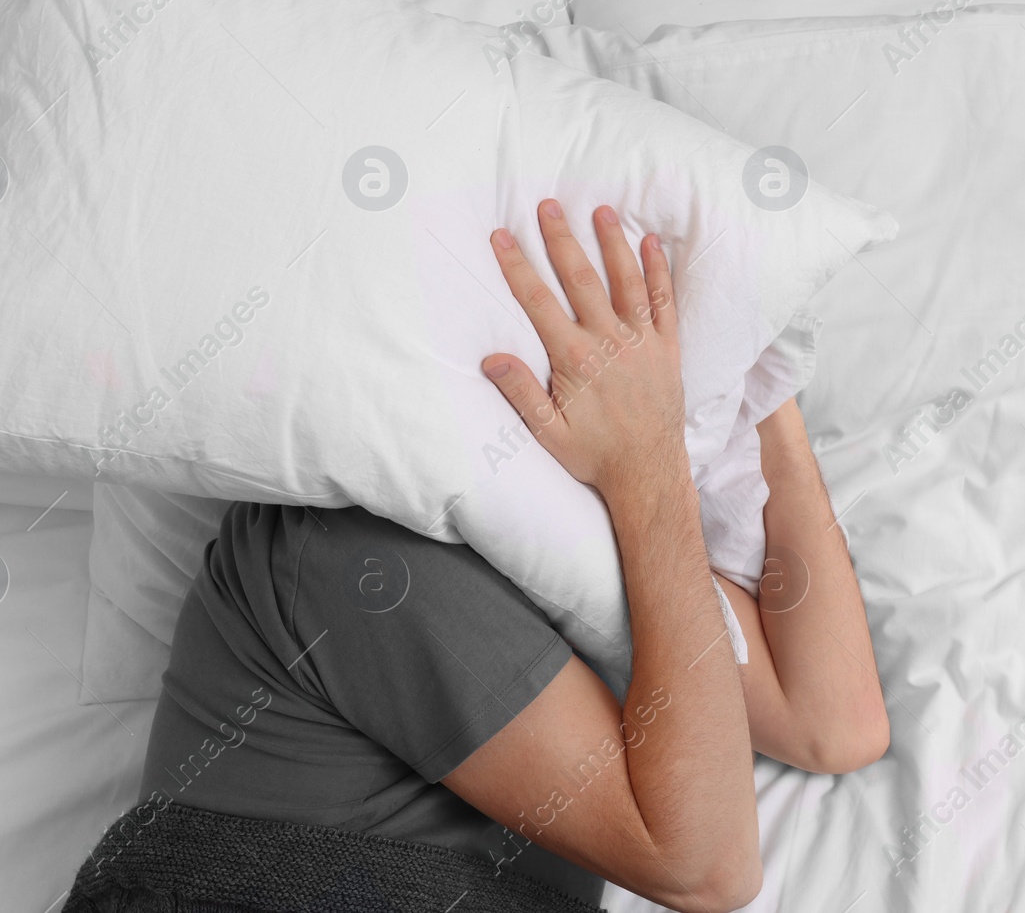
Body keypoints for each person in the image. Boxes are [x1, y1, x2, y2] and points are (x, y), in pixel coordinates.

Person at [63, 199, 889, 913]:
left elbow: (835, 722)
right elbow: (706, 867)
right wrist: (649, 468)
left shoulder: (579, 558)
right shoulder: (352, 556)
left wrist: (757, 383)